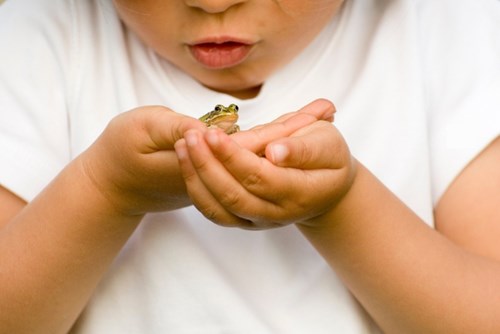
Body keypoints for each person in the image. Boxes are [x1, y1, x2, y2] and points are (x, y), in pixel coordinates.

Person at [0, 0, 499, 332]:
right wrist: (103, 190)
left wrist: (341, 208)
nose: (213, 2)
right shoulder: (37, 32)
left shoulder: (447, 28)